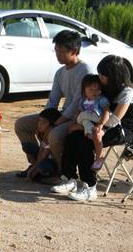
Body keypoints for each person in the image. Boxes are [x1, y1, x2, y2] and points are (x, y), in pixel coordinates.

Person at [54, 55, 133, 202]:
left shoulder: (127, 92)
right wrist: (81, 125)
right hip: (100, 123)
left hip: (122, 128)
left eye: (103, 75)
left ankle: (90, 186)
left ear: (113, 76)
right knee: (72, 137)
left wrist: (90, 128)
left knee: (85, 142)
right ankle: (70, 178)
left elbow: (114, 120)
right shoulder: (105, 88)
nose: (100, 77)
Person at [14, 30, 94, 177]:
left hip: (76, 117)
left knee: (54, 135)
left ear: (74, 51)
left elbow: (77, 103)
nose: (58, 54)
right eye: (56, 50)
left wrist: (53, 125)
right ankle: (37, 164)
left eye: (62, 51)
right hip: (59, 116)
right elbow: (53, 100)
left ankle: (61, 172)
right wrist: (44, 120)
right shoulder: (60, 72)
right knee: (22, 124)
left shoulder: (85, 71)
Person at [73, 74, 118, 171]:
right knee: (84, 120)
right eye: (90, 89)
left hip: (99, 118)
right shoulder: (83, 100)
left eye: (97, 90)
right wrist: (76, 121)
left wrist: (100, 124)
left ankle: (99, 157)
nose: (94, 92)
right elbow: (79, 111)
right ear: (84, 90)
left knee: (85, 119)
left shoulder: (101, 99)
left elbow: (107, 112)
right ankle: (88, 132)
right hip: (89, 120)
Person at [22, 108, 63, 182]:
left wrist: (35, 168)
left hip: (53, 162)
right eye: (39, 121)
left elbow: (44, 155)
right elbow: (41, 150)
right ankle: (36, 171)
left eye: (43, 122)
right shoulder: (42, 134)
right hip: (45, 158)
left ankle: (51, 176)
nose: (39, 124)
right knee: (27, 146)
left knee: (43, 166)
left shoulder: (51, 135)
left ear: (51, 125)